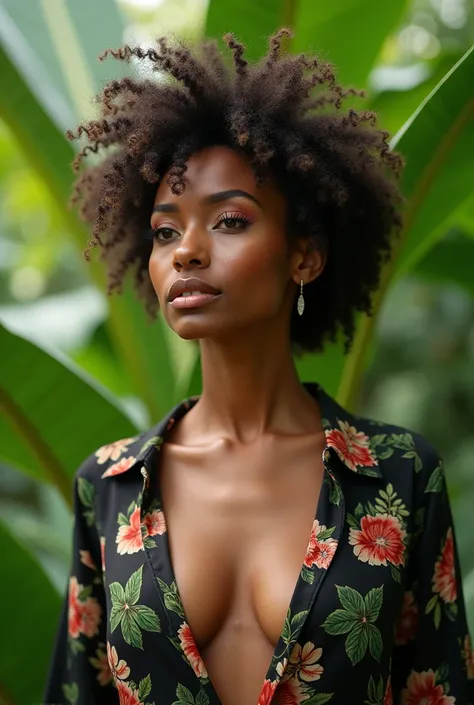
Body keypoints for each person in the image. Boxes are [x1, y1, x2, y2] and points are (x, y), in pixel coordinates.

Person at [43, 27, 474, 705]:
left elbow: (438, 690)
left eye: (230, 221)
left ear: (304, 254)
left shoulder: (399, 478)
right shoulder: (109, 486)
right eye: (164, 230)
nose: (185, 251)